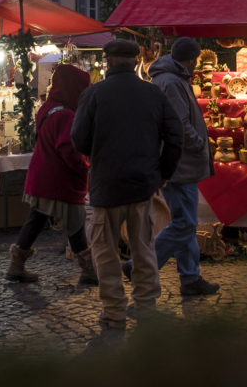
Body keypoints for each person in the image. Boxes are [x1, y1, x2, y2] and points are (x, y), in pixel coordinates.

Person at [71, 38, 182, 329]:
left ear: (107, 61)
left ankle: (114, 312)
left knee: (105, 252)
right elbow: (175, 136)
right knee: (143, 249)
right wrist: (162, 173)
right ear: (136, 62)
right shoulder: (153, 94)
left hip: (106, 186)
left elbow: (79, 140)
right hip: (142, 185)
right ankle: (145, 307)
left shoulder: (93, 94)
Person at [122, 37, 218, 296]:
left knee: (185, 222)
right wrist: (200, 145)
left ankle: (190, 278)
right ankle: (139, 266)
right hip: (181, 164)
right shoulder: (172, 82)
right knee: (184, 224)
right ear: (191, 59)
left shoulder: (172, 79)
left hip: (180, 163)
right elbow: (179, 125)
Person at [7, 63, 96, 285]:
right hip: (59, 180)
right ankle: (88, 270)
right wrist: (85, 168)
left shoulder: (48, 108)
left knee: (36, 220)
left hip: (43, 176)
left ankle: (16, 265)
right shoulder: (65, 115)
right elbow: (68, 150)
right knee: (75, 222)